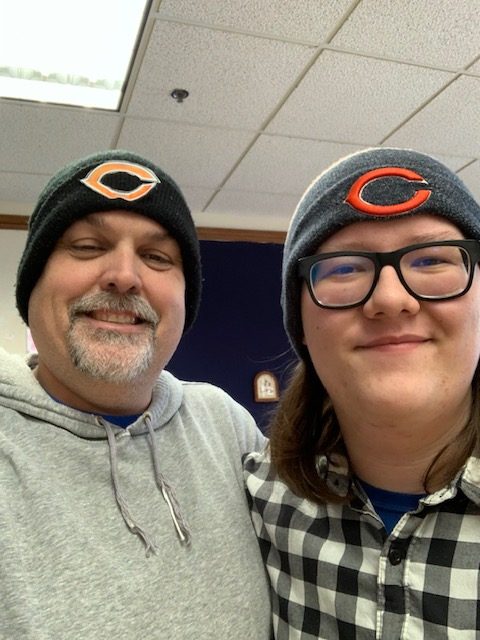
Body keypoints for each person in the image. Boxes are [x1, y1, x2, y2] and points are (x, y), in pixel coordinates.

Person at [0, 149, 271, 639]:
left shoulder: (227, 427)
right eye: (85, 246)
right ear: (32, 285)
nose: (125, 275)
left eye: (157, 257)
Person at [244, 147, 480, 639]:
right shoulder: (257, 501)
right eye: (345, 268)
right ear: (302, 325)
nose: (391, 299)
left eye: (432, 259)